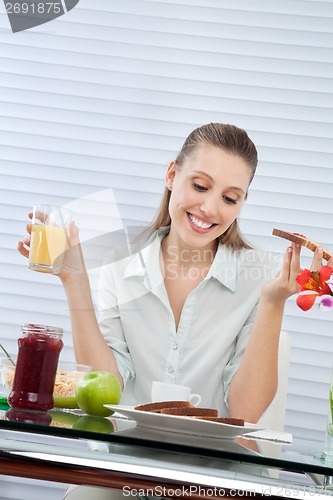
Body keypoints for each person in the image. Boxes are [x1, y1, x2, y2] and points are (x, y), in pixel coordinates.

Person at [17, 122, 320, 500]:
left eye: (230, 198)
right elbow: (107, 386)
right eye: (200, 186)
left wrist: (274, 303)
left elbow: (246, 411)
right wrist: (74, 281)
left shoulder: (259, 276)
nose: (210, 208)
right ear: (172, 175)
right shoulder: (120, 265)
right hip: (127, 469)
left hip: (217, 480)